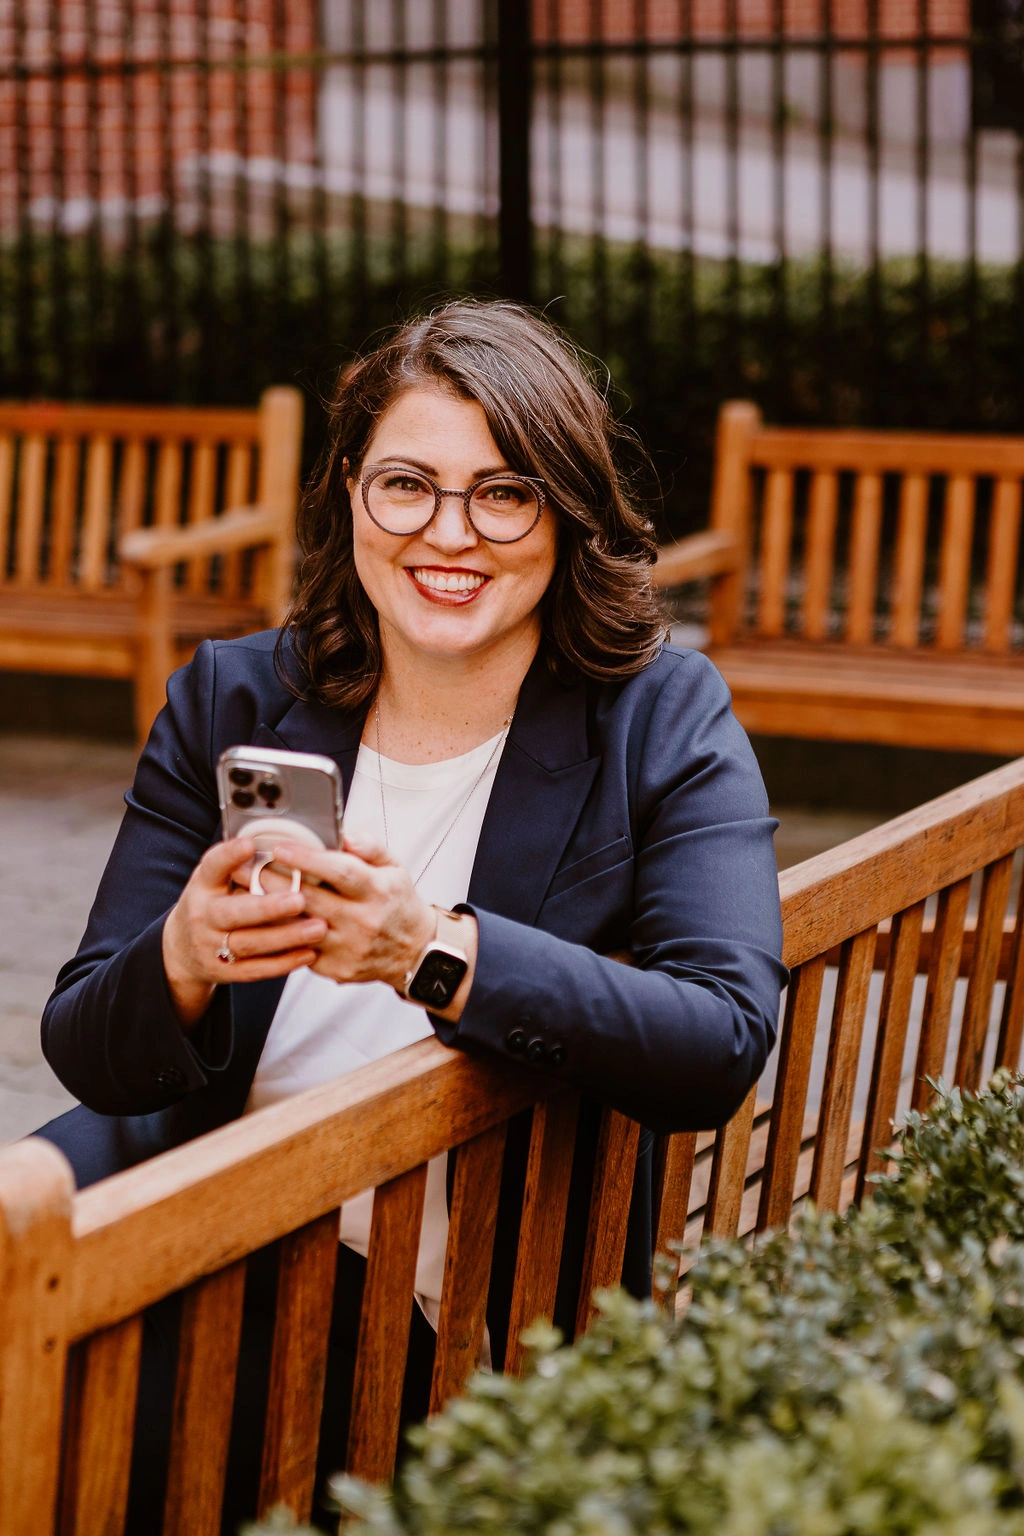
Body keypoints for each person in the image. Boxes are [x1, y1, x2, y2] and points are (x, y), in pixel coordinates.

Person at [37, 298, 786, 1529]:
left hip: (429, 1272)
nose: (449, 533)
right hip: (204, 1190)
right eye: (406, 485)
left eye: (504, 493)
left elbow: (718, 1040)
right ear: (349, 493)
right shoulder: (235, 694)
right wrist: (183, 954)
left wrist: (430, 952)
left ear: (568, 512)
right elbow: (86, 1048)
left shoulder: (659, 718)